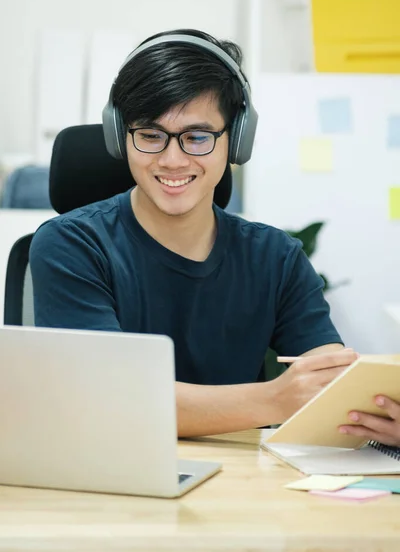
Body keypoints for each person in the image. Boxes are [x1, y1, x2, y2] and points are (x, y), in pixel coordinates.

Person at [29, 29, 400, 444]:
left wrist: (373, 407)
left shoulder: (275, 256)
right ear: (120, 136)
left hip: (242, 481)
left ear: (237, 141)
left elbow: (325, 373)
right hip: (109, 471)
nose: (172, 160)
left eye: (198, 137)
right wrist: (276, 399)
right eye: (150, 135)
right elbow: (109, 396)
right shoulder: (71, 245)